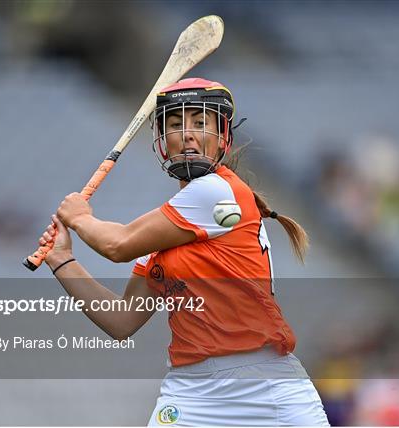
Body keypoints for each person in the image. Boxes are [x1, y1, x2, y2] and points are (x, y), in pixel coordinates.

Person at [40, 77, 329, 426]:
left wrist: (80, 216)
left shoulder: (215, 192)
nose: (187, 133)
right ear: (163, 142)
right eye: (176, 124)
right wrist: (62, 260)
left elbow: (116, 245)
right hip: (192, 391)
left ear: (223, 136)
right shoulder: (166, 229)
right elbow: (121, 319)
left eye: (200, 122)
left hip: (264, 387)